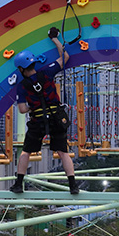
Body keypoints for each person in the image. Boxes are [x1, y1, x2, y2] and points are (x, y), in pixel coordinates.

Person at [11, 27, 79, 194]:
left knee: (26, 152)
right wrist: (54, 39)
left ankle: (18, 184)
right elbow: (65, 57)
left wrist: (33, 106)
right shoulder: (47, 72)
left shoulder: (22, 86)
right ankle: (73, 186)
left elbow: (22, 110)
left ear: (21, 69)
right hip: (56, 118)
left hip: (38, 121)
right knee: (63, 152)